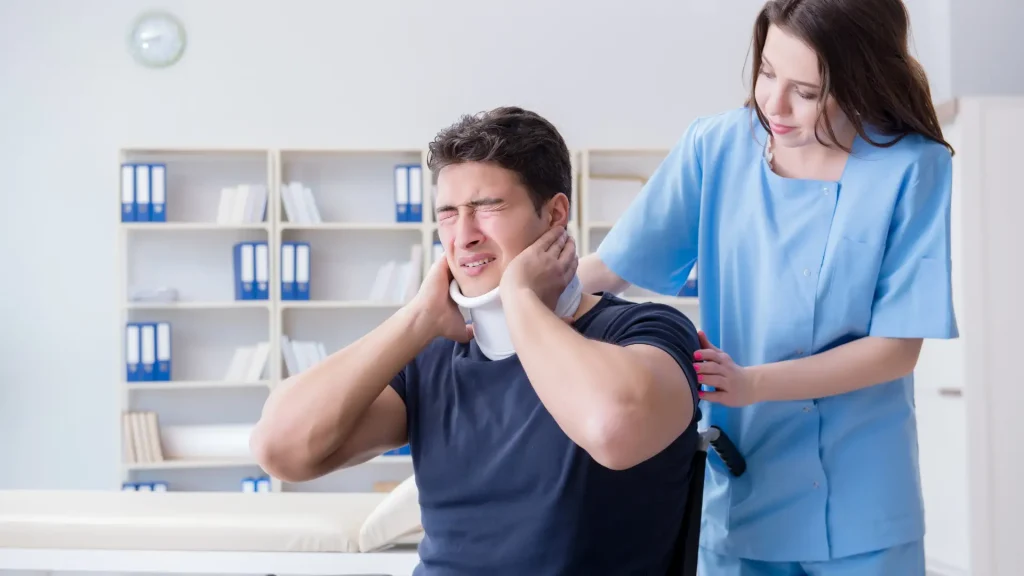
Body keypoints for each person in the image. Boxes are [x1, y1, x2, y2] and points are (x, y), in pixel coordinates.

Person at [577, 0, 957, 574]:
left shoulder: (913, 167)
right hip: (743, 489)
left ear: (863, 79)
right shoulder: (715, 148)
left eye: (805, 91)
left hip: (864, 502)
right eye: (767, 71)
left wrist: (754, 383)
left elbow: (897, 348)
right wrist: (506, 303)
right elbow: (609, 268)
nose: (772, 104)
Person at [250, 106, 704, 575]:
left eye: (488, 207)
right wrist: (419, 317)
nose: (463, 236)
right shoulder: (432, 353)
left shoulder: (647, 332)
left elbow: (614, 430)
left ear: (555, 215)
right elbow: (280, 450)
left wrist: (521, 298)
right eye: (448, 214)